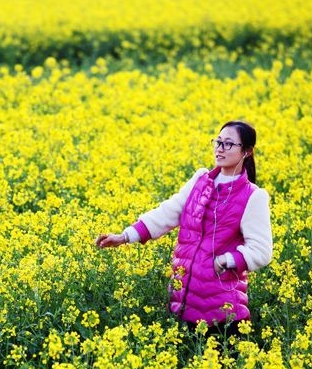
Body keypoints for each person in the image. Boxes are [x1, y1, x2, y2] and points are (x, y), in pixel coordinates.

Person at [95, 120, 273, 340]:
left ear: (246, 151)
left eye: (228, 144)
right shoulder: (201, 180)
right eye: (217, 142)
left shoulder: (252, 196)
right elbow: (169, 212)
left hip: (224, 311)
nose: (219, 148)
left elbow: (262, 250)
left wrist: (226, 260)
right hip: (184, 302)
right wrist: (125, 236)